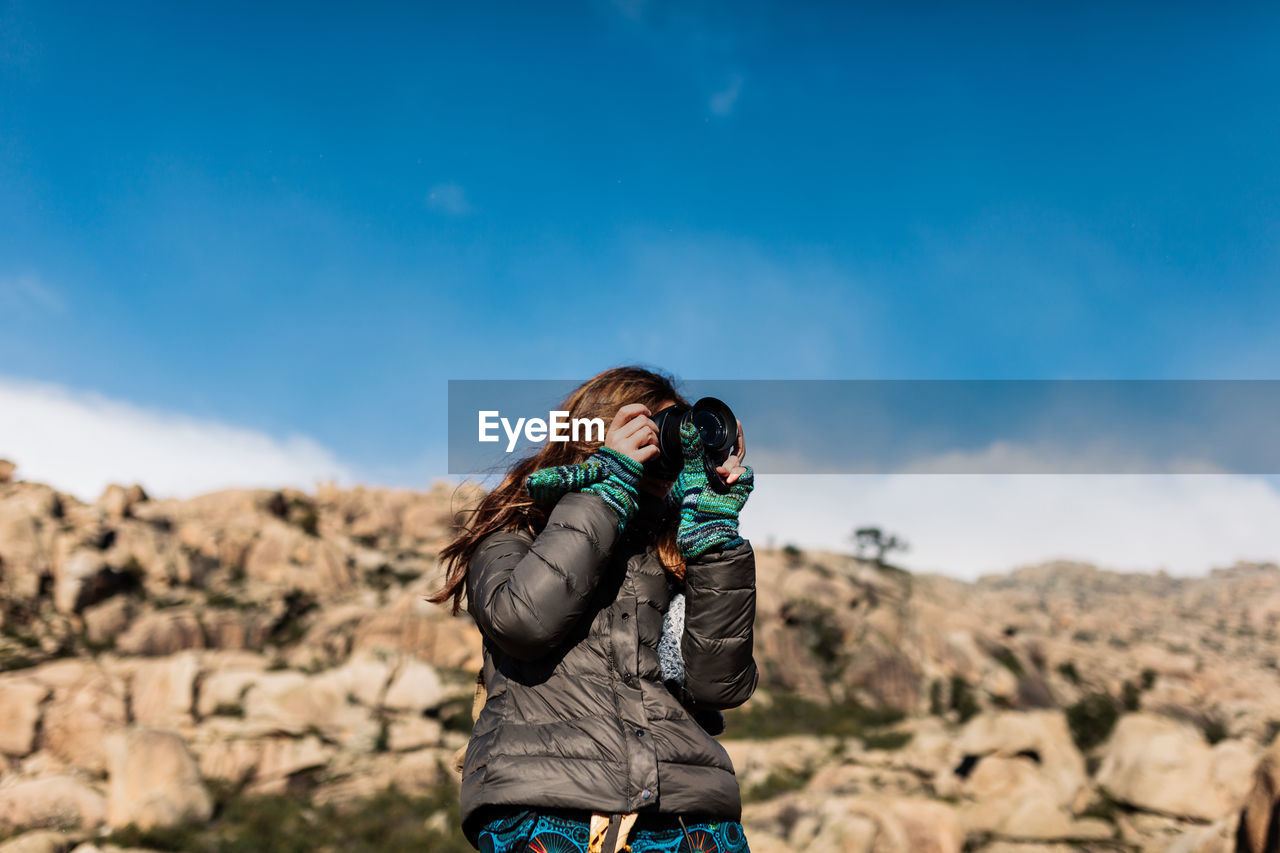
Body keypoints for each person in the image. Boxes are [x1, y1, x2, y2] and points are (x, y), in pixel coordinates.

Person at [430, 366, 759, 853]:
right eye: (647, 431)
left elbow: (718, 684)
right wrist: (608, 488)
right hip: (552, 814)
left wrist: (714, 536)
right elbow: (522, 621)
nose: (662, 447)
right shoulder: (517, 533)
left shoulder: (678, 551)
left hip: (692, 822)